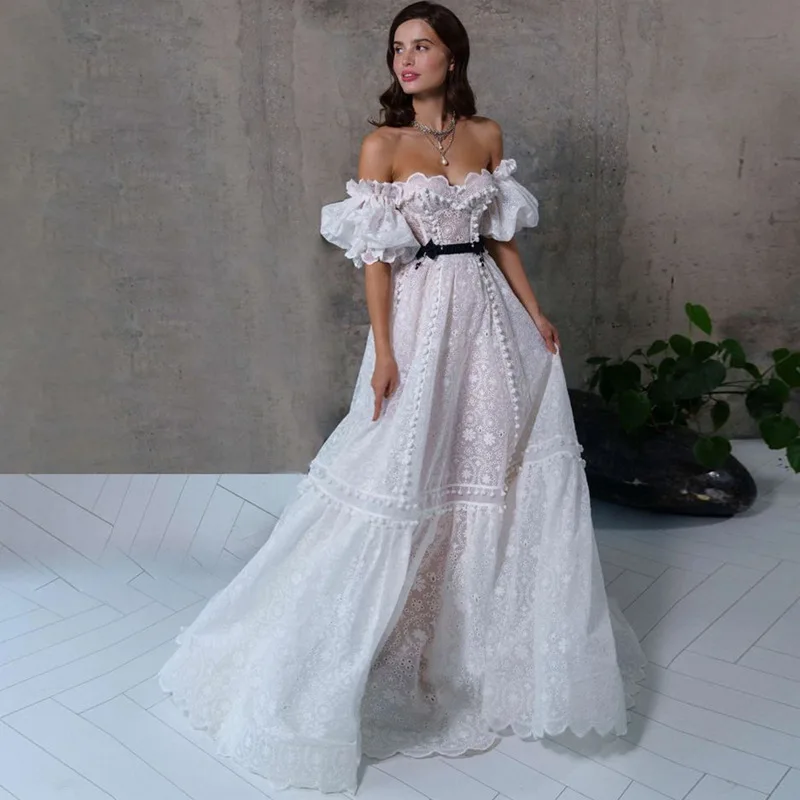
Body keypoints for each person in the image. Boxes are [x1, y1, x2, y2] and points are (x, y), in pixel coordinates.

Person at [158, 2, 647, 794]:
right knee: (400, 471)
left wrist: (535, 312)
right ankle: (359, 643)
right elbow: (376, 263)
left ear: (452, 56)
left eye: (422, 45)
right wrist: (386, 353)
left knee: (485, 470)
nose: (406, 59)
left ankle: (468, 647)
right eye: (397, 48)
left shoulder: (485, 135)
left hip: (485, 318)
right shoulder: (382, 146)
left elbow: (499, 238)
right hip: (421, 319)